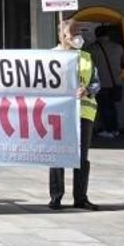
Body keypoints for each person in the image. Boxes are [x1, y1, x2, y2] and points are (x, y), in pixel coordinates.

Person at [48, 19, 100, 211]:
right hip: (58, 113)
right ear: (62, 36)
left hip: (84, 112)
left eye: (80, 33)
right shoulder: (49, 57)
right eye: (74, 33)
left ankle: (81, 197)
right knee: (57, 155)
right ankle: (56, 197)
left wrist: (88, 90)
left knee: (82, 157)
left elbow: (96, 82)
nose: (79, 37)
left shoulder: (86, 57)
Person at [93, 25, 124, 139]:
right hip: (116, 82)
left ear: (96, 35)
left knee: (104, 107)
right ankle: (115, 129)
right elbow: (123, 63)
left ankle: (108, 130)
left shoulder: (92, 48)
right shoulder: (118, 47)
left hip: (101, 82)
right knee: (112, 106)